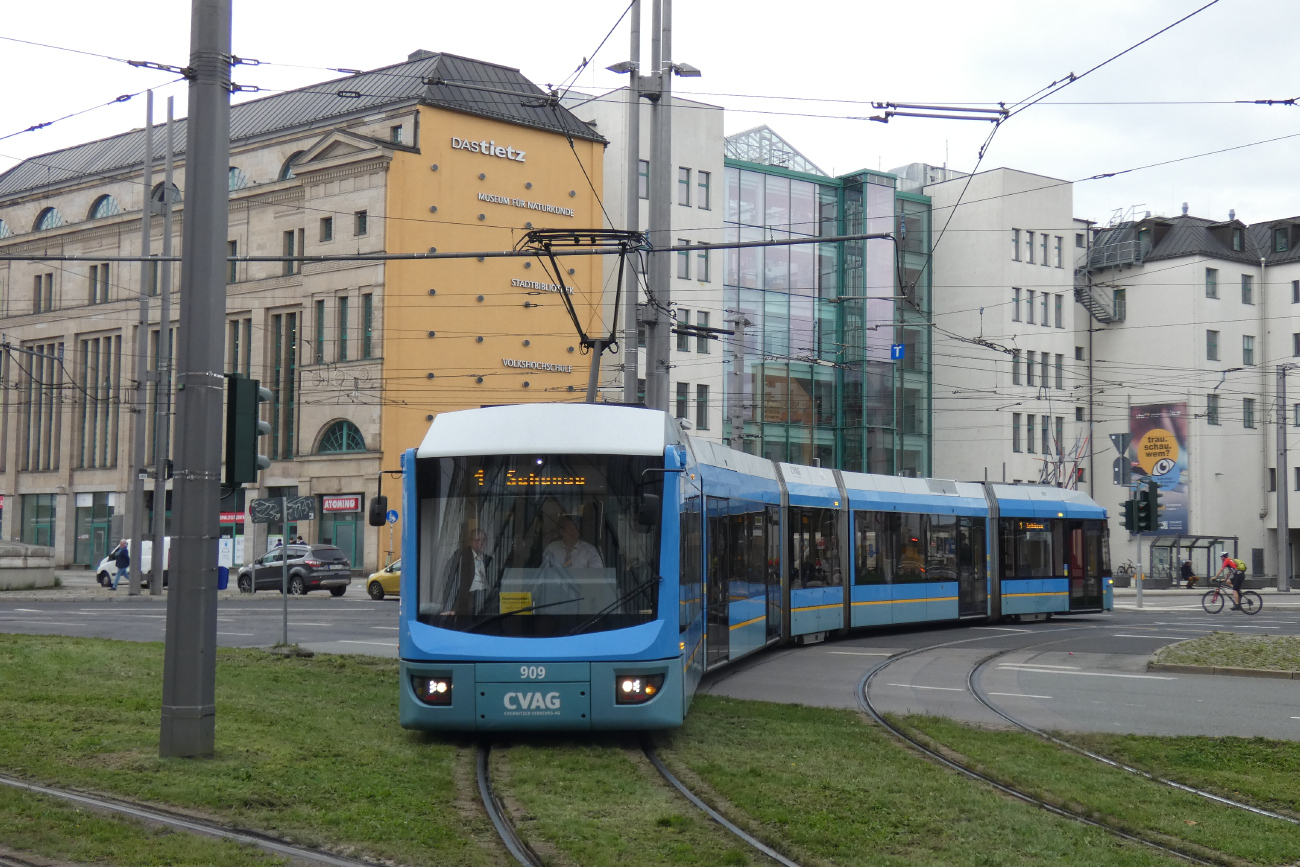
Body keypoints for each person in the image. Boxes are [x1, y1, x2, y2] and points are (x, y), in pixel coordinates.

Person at [441, 529, 496, 615]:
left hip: (485, 603)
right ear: (470, 542)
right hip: (464, 604)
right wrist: (450, 608)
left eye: (484, 540)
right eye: (478, 540)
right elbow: (449, 581)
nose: (481, 543)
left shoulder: (489, 560)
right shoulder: (460, 557)